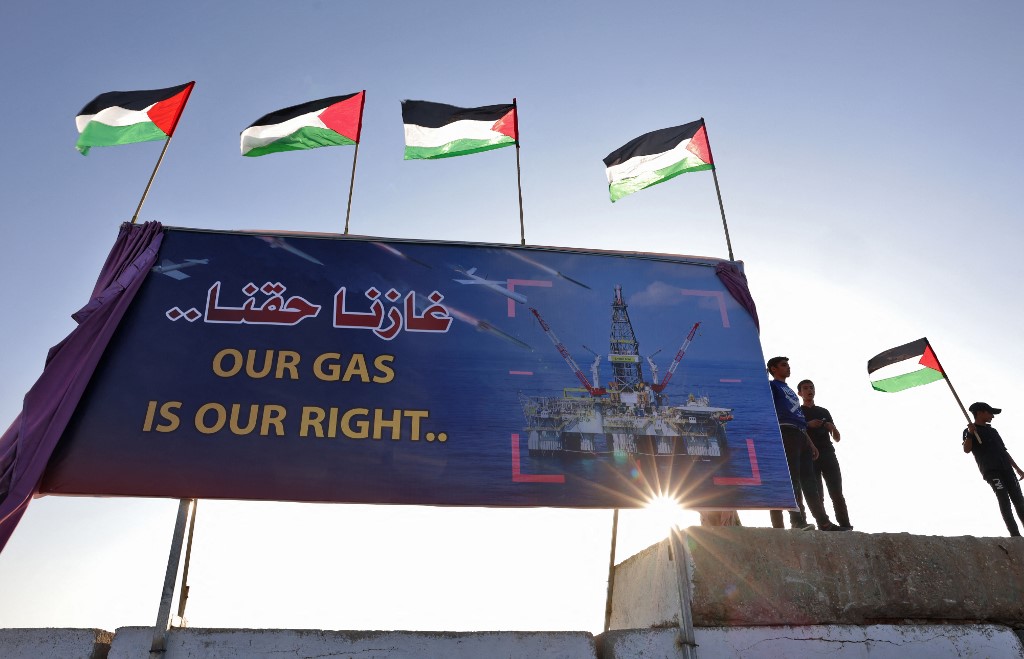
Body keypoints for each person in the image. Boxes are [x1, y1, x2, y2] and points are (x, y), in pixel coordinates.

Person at [765, 357, 838, 531]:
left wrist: (810, 443)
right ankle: (797, 521)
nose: (788, 367)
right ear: (773, 369)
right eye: (783, 365)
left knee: (810, 483)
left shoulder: (789, 389)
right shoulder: (772, 386)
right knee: (793, 480)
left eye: (788, 365)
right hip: (785, 432)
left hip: (800, 434)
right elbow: (767, 407)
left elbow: (798, 417)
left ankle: (824, 522)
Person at [798, 379, 853, 531]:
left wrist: (831, 427)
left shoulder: (823, 411)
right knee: (817, 494)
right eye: (805, 388)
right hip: (809, 456)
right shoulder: (798, 412)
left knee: (837, 493)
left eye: (811, 387)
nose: (809, 390)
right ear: (800, 393)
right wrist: (808, 424)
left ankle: (846, 525)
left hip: (828, 453)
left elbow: (837, 438)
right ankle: (824, 525)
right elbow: (796, 431)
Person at [963, 402, 1024, 537]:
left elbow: (1003, 451)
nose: (992, 416)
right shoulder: (970, 431)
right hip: (991, 471)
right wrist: (970, 434)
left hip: (1007, 469)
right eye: (990, 413)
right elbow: (966, 449)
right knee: (1004, 499)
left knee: (1019, 500)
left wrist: (1018, 469)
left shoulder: (993, 431)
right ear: (980, 413)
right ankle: (1015, 536)